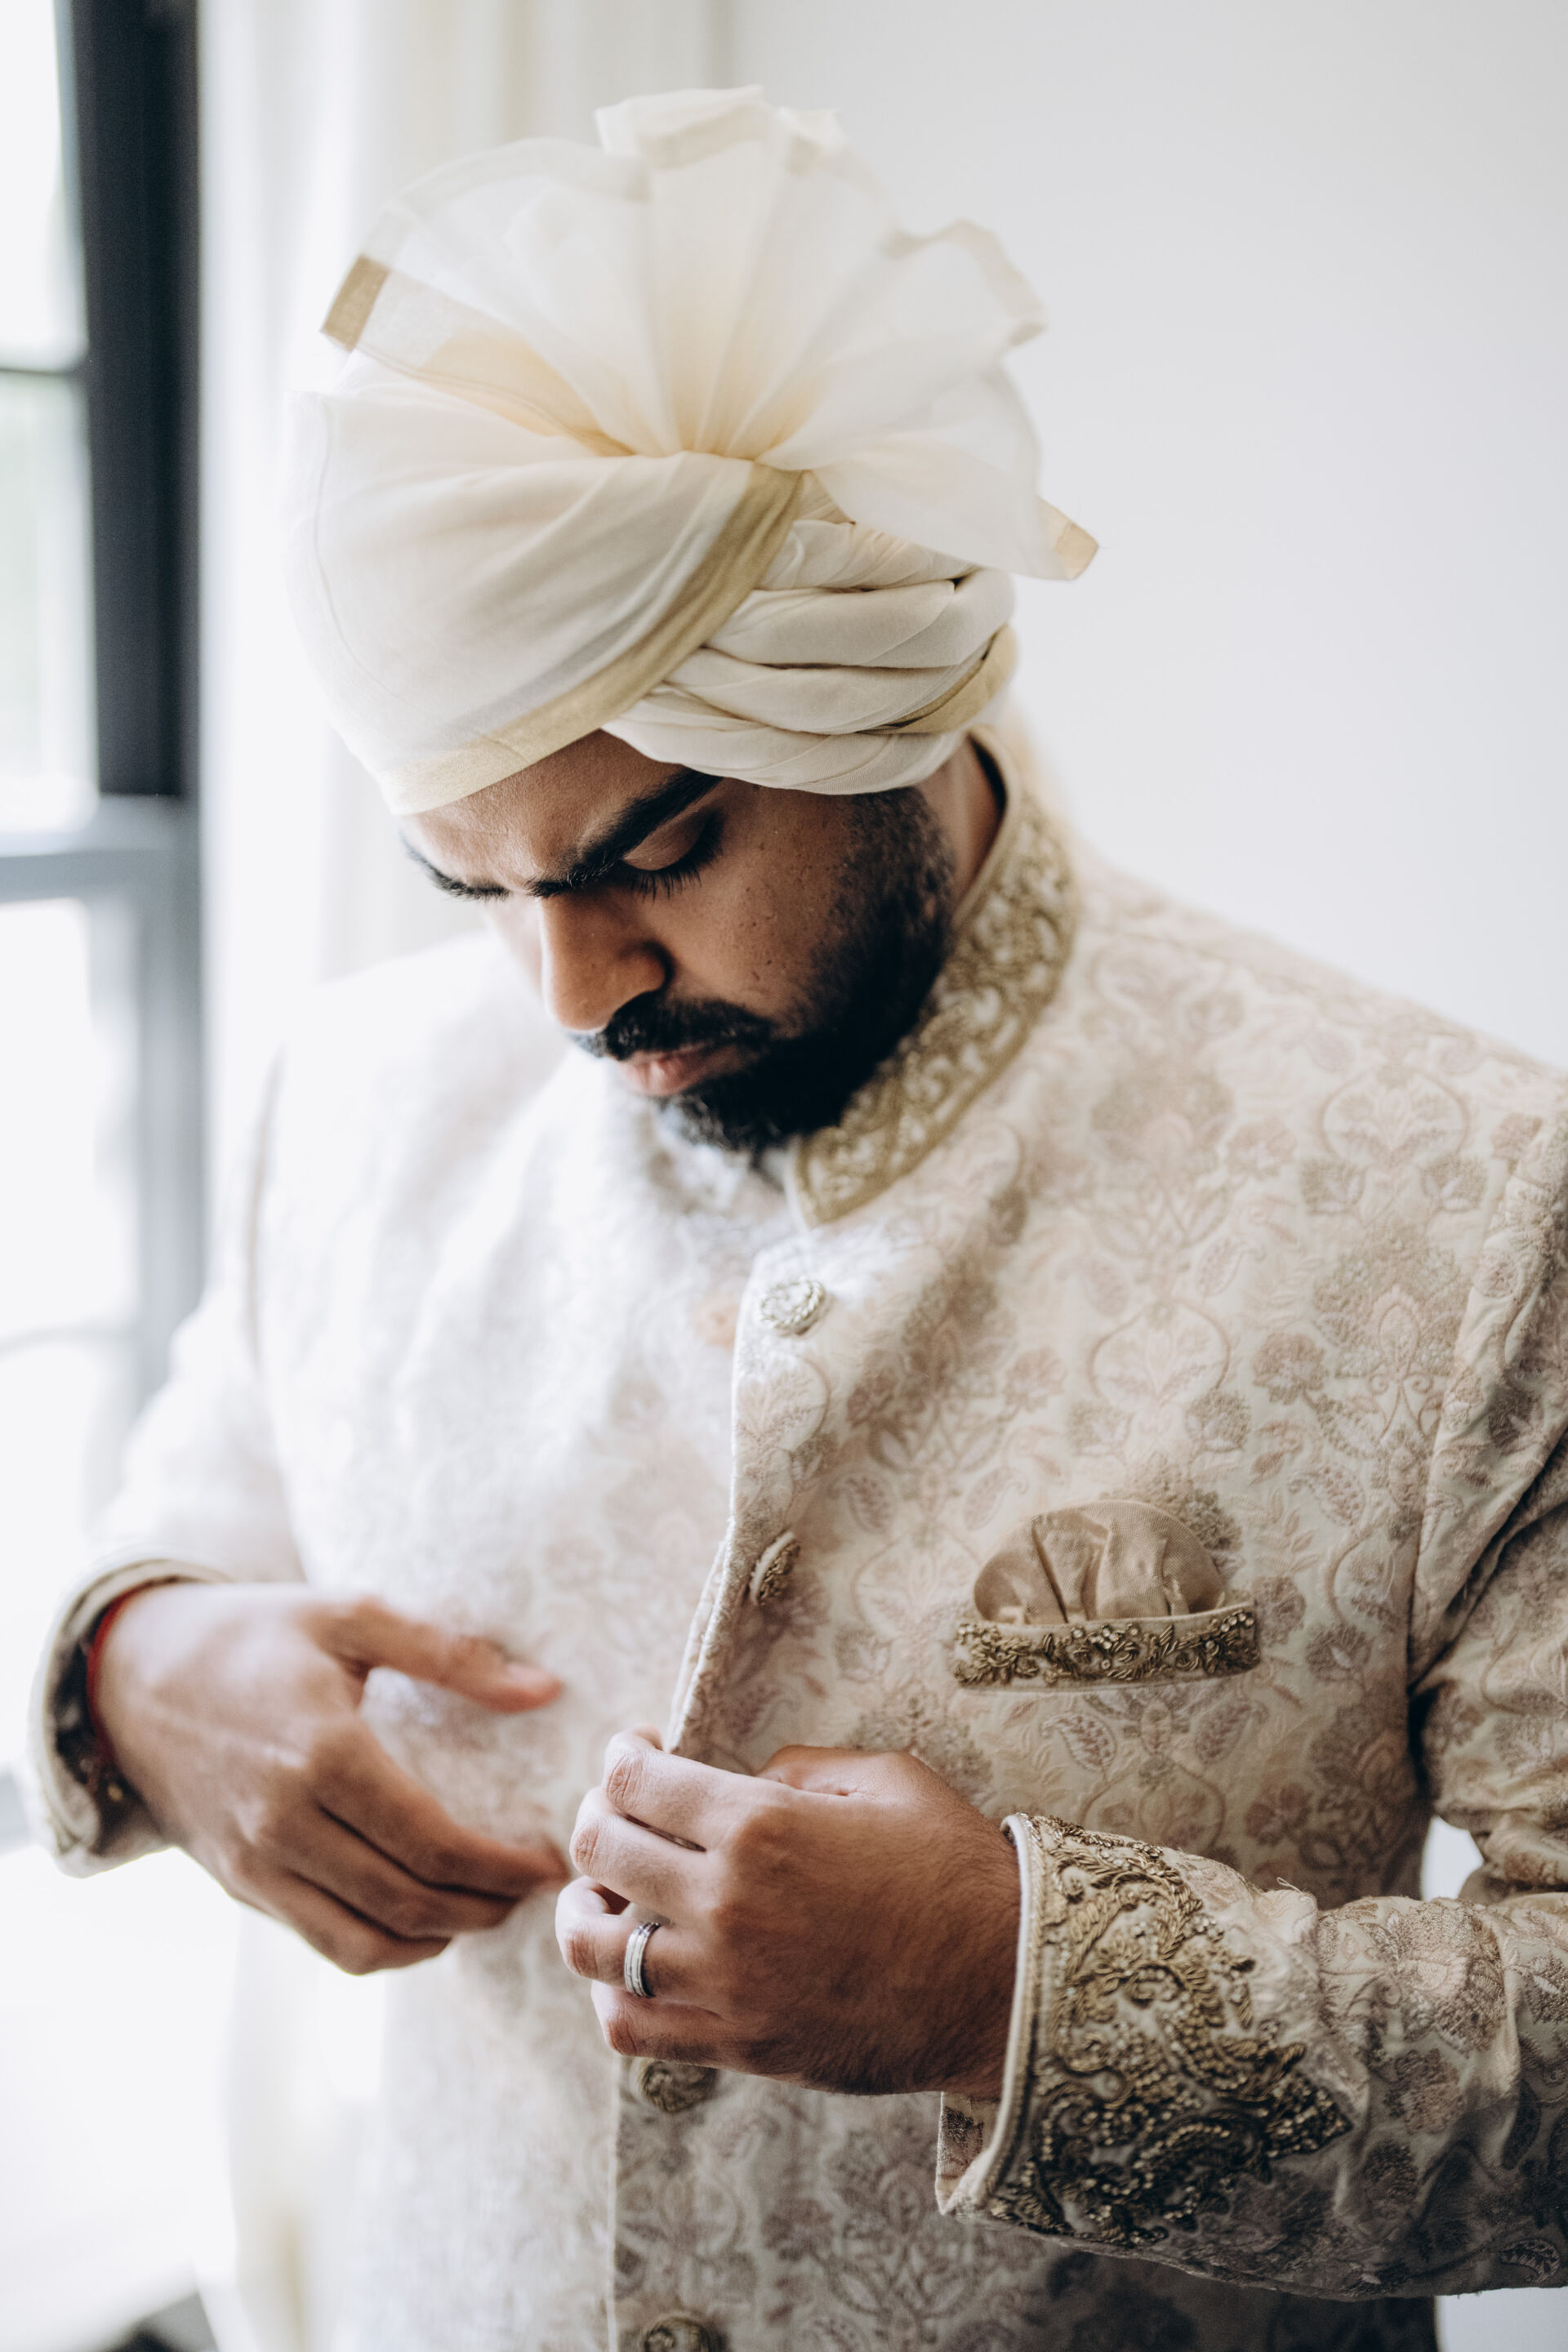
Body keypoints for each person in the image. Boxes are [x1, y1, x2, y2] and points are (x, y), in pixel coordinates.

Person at [27, 87, 1568, 2352]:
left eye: (654, 850)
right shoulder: (342, 1098)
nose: (570, 993)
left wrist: (1003, 1986)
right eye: (475, 886)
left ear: (892, 706)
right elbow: (182, 1505)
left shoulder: (1465, 1198)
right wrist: (139, 1667)